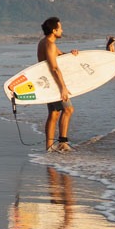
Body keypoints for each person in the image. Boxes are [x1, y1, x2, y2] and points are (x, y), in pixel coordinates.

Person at [39, 16, 73, 151]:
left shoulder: (45, 42)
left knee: (54, 113)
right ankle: (63, 143)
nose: (62, 30)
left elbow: (61, 56)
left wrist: (72, 54)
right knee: (68, 109)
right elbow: (54, 67)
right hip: (54, 83)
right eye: (60, 28)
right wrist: (63, 88)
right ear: (54, 30)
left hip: (47, 83)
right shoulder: (50, 45)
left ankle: (49, 147)